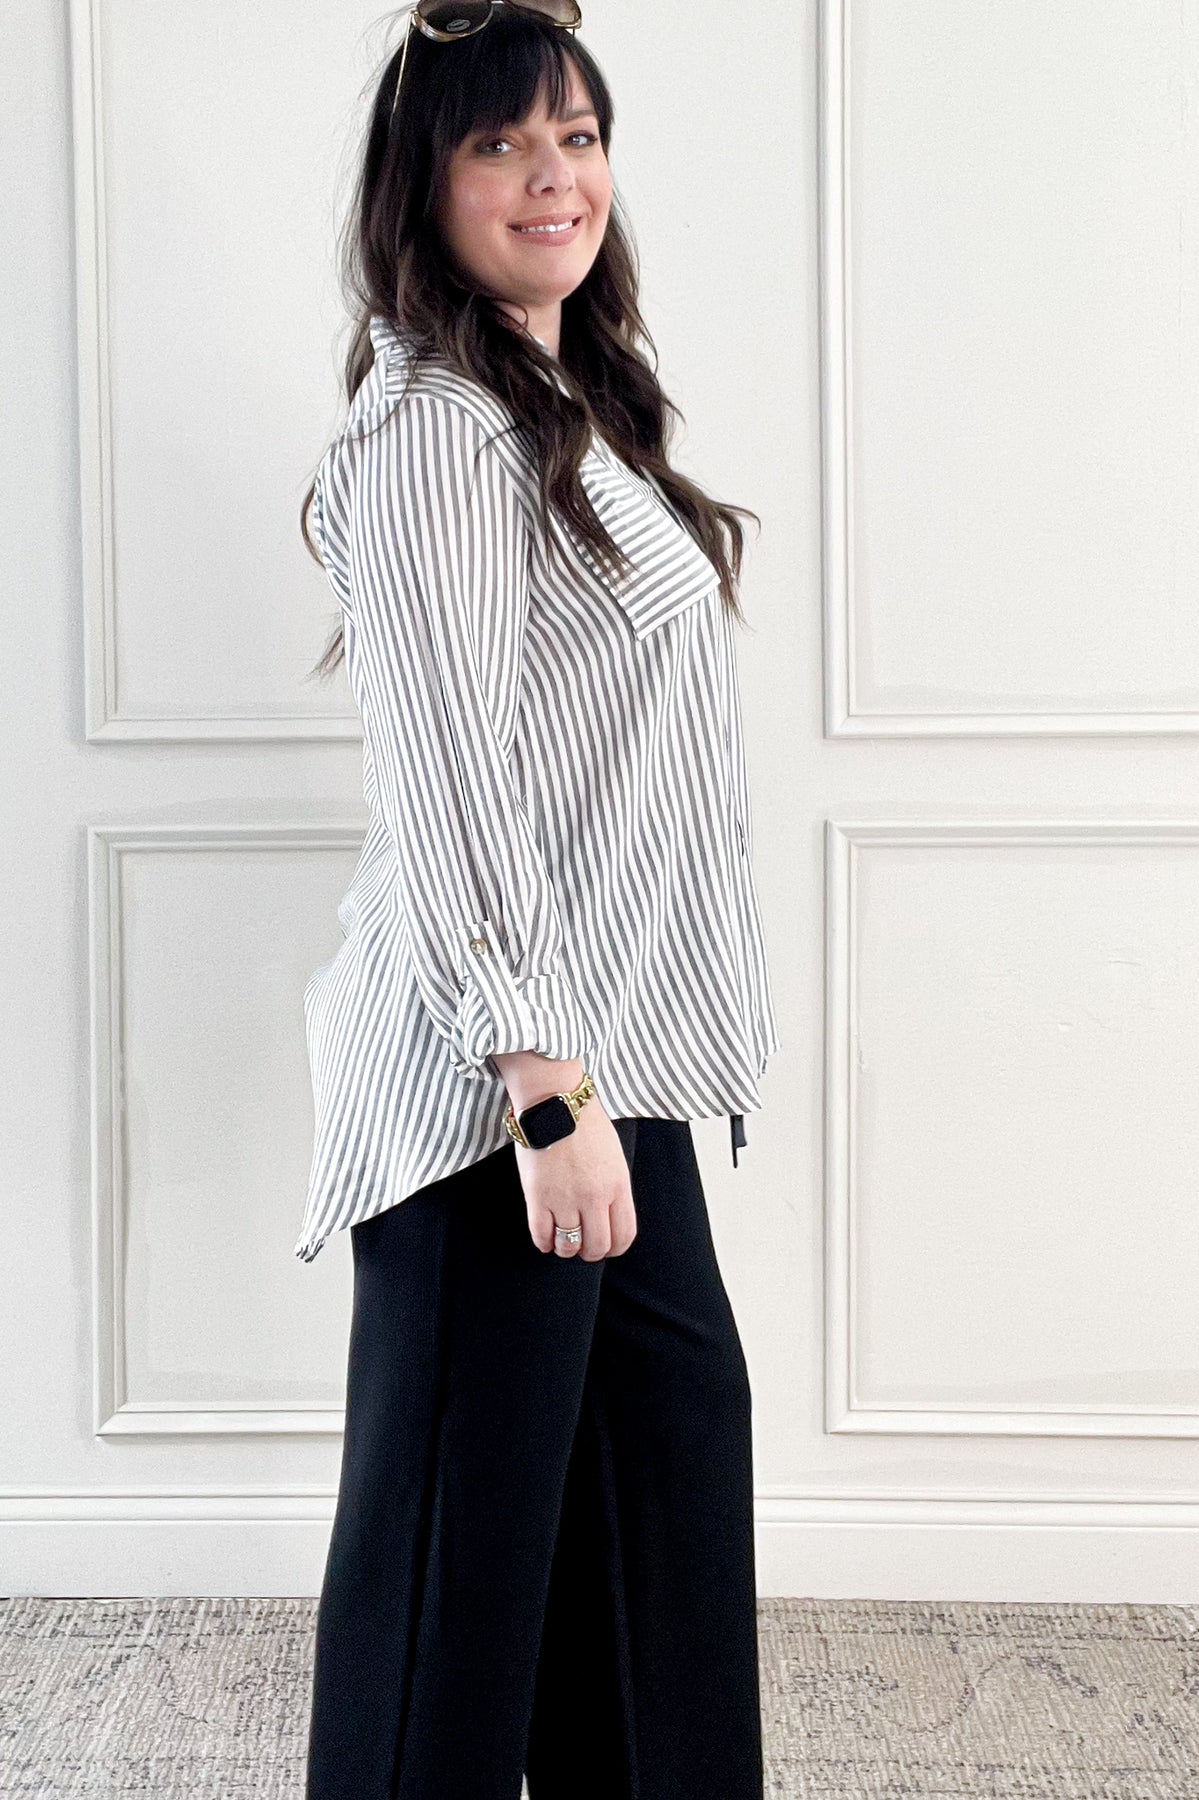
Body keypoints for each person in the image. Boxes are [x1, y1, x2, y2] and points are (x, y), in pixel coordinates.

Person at [297, 4, 780, 1795]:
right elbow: (451, 778)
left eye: (576, 135)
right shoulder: (435, 431)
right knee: (457, 1594)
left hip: (618, 1059)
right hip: (501, 1086)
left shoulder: (566, 403)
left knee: (656, 1538)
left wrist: (597, 1083)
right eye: (499, 143)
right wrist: (542, 1085)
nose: (551, 176)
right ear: (422, 186)